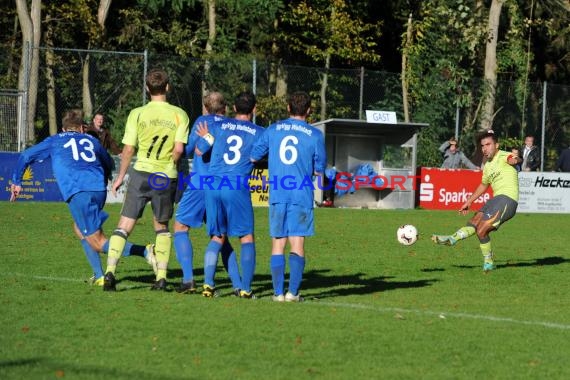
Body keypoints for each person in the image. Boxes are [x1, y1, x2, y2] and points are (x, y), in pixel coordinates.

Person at [10, 109, 156, 285]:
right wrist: (109, 176)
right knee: (79, 229)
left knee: (98, 242)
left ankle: (145, 252)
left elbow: (26, 155)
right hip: (98, 190)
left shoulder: (55, 140)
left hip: (79, 192)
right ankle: (99, 275)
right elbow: (108, 161)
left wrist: (17, 181)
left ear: (63, 129)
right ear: (81, 128)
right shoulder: (91, 140)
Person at [103, 68, 190, 291]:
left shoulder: (137, 113)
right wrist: (171, 163)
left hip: (140, 173)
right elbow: (179, 148)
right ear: (167, 87)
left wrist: (120, 176)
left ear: (147, 88)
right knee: (161, 227)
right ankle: (161, 277)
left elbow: (129, 148)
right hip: (163, 177)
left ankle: (110, 273)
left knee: (124, 226)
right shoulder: (179, 114)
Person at [250, 91, 326, 302]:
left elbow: (254, 155)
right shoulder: (315, 134)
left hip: (278, 191)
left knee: (278, 242)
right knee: (297, 241)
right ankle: (293, 292)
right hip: (301, 192)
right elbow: (319, 169)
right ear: (309, 110)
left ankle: (277, 294)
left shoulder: (273, 129)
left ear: (288, 108)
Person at [195, 91, 265, 299]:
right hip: (236, 186)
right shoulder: (259, 132)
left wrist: (206, 136)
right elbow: (257, 157)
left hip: (213, 184)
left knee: (217, 236)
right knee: (246, 237)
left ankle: (208, 284)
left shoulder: (217, 126)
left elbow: (199, 151)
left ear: (234, 108)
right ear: (254, 109)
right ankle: (245, 288)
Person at [173, 91, 242, 295]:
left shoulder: (202, 121)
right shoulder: (231, 125)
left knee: (180, 227)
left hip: (201, 183)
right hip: (223, 184)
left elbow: (188, 151)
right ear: (226, 108)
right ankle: (238, 285)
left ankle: (188, 280)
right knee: (221, 236)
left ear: (205, 107)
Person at [432, 130, 521, 271]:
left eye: (488, 144)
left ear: (496, 145)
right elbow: (483, 185)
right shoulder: (488, 166)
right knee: (474, 222)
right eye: (483, 146)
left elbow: (515, 159)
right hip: (495, 200)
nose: (485, 148)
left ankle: (489, 261)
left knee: (481, 230)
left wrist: (515, 160)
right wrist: (469, 202)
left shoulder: (504, 155)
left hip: (508, 200)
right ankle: (452, 238)